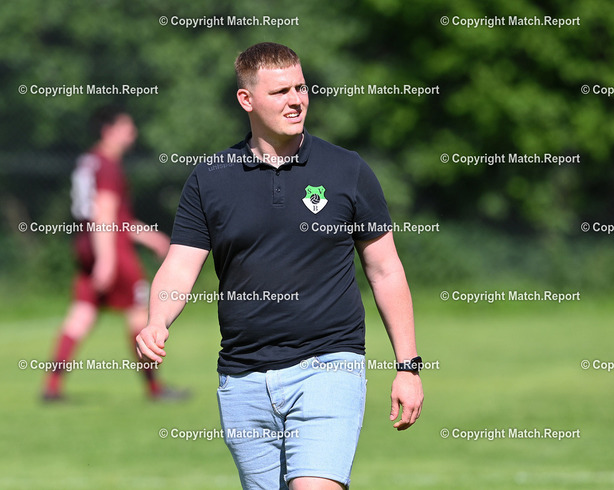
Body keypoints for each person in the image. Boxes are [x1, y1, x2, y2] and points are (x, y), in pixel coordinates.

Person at [136, 42, 424, 489]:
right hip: (242, 377)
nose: (296, 100)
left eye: (301, 88)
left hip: (329, 366)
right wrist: (158, 321)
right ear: (246, 99)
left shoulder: (347, 170)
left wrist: (408, 366)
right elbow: (179, 265)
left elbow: (386, 270)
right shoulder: (210, 178)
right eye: (280, 92)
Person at [43, 106, 186, 401]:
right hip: (110, 248)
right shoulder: (108, 165)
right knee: (139, 314)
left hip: (87, 244)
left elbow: (113, 216)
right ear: (108, 130)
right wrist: (107, 260)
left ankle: (52, 386)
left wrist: (149, 237)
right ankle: (155, 388)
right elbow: (105, 213)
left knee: (82, 314)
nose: (132, 132)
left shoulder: (89, 161)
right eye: (126, 126)